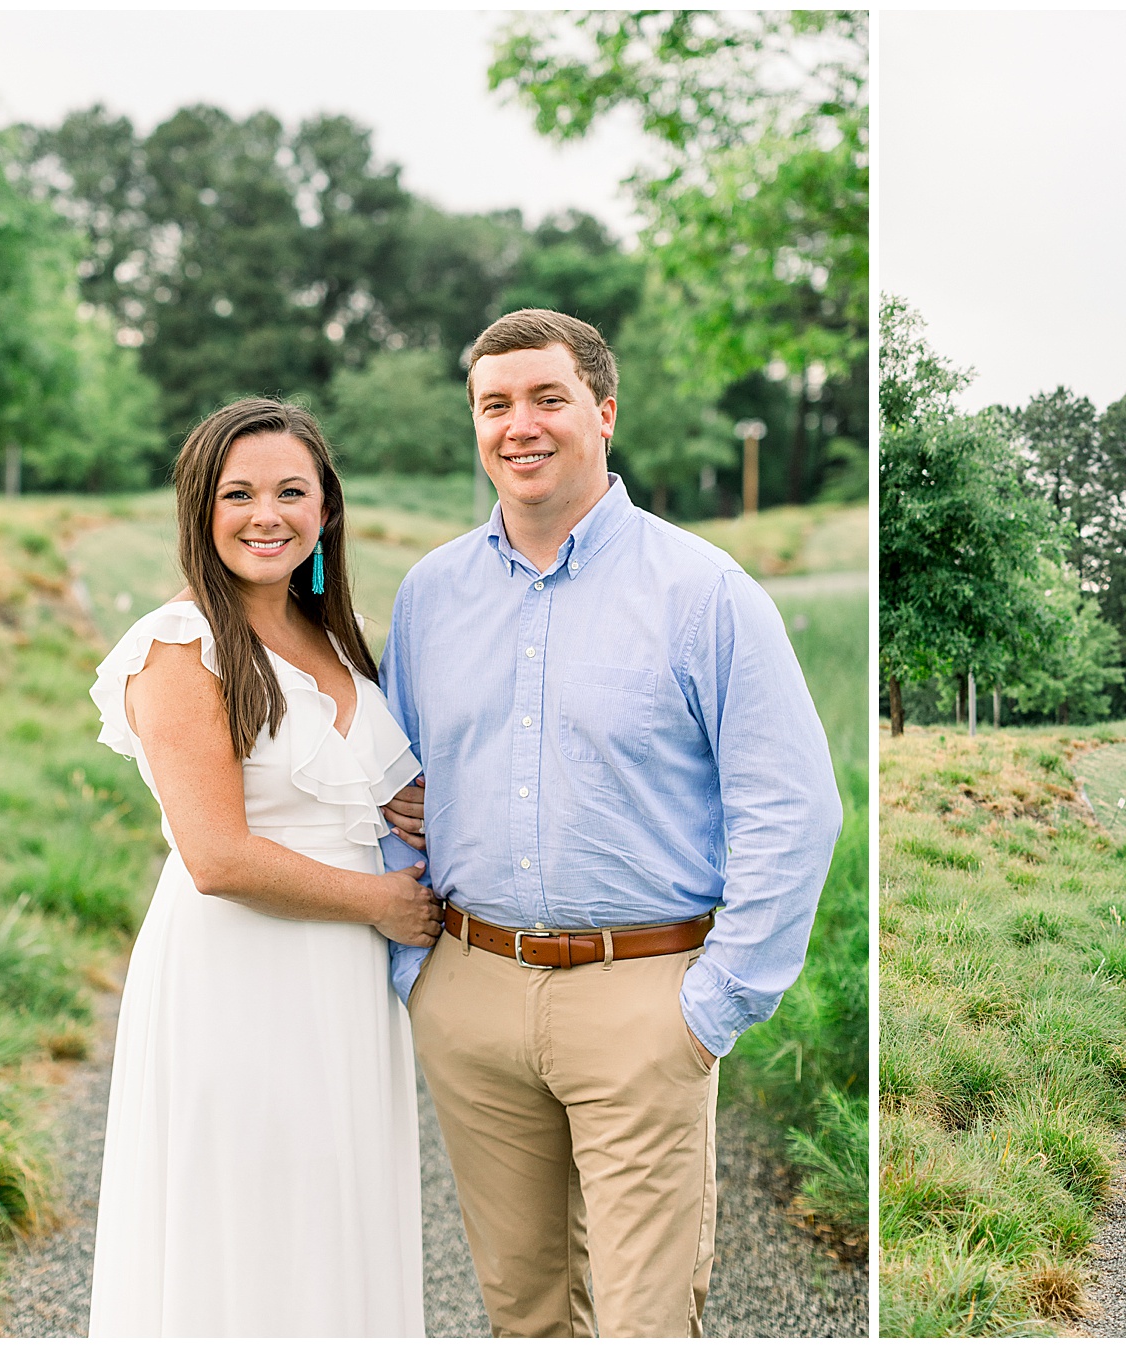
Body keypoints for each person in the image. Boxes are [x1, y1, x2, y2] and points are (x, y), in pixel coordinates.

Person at [374, 308, 842, 1337]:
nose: (519, 425)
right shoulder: (430, 595)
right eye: (494, 405)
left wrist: (711, 1006)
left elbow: (794, 807)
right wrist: (423, 981)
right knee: (523, 1311)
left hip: (644, 995)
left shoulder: (704, 591)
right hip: (472, 992)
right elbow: (393, 790)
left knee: (644, 1320)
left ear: (604, 412)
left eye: (548, 398)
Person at [86, 400, 441, 1335]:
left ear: (326, 512)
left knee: (336, 1211)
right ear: (201, 511)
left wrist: (419, 811)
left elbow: (366, 786)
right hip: (237, 975)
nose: (266, 515)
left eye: (292, 492)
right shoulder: (179, 646)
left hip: (345, 987)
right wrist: (382, 900)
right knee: (245, 1222)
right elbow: (216, 856)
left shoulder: (339, 636)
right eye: (238, 493)